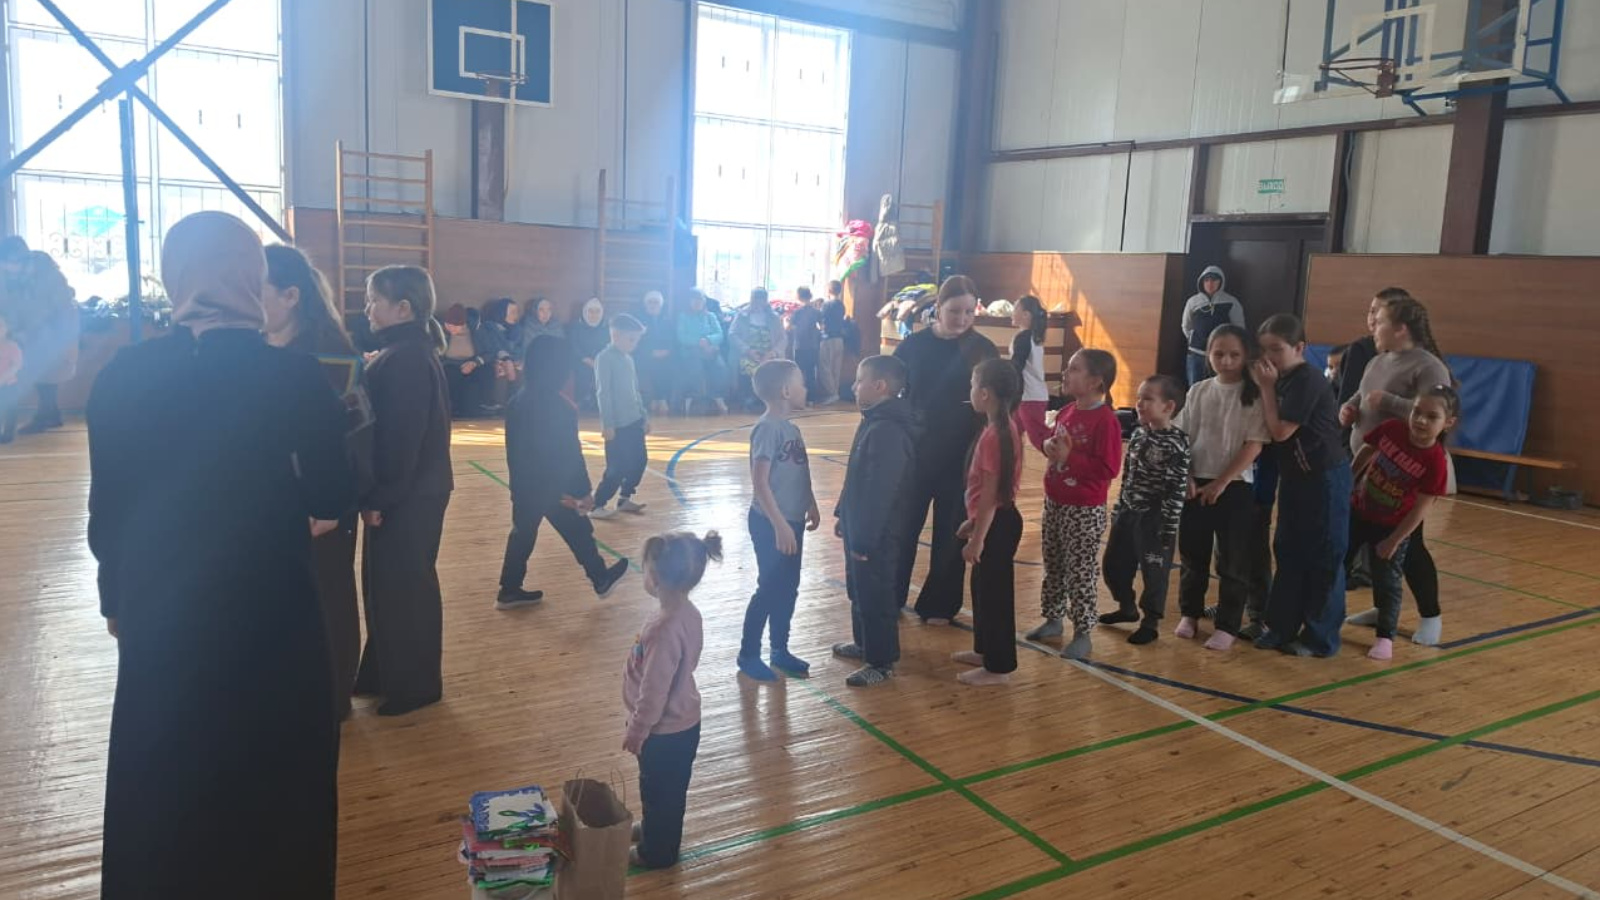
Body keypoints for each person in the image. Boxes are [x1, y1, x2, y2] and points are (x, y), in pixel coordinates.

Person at [87, 211, 353, 898]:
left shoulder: (123, 376)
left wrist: (117, 600)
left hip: (159, 614)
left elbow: (107, 512)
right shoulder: (294, 378)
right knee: (275, 783)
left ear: (174, 277)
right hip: (271, 614)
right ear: (251, 278)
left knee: (164, 778)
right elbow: (333, 495)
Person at [262, 243, 370, 719]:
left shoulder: (327, 355)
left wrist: (327, 506)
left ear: (291, 296)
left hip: (320, 507)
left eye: (257, 289)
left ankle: (333, 699)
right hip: (281, 503)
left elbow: (349, 439)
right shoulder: (268, 350)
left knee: (329, 599)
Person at [356, 266, 454, 715]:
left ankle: (416, 686)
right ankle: (383, 674)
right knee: (387, 587)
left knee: (405, 590)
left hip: (410, 494)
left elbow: (401, 439)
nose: (367, 308)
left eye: (374, 300)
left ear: (403, 309)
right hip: (412, 490)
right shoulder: (404, 352)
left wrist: (382, 497)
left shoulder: (407, 359)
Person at [1339, 290, 1452, 645]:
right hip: (1371, 473)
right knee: (1370, 542)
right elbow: (1362, 394)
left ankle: (1431, 616)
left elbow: (1434, 413)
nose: (1373, 324)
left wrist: (1389, 402)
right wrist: (1350, 408)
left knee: (1410, 546)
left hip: (1406, 478)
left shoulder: (1428, 367)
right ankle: (1381, 607)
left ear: (1401, 328)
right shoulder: (1378, 360)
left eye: (1381, 319)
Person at [891, 275, 999, 623]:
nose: (962, 319)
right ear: (937, 308)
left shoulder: (983, 349)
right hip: (915, 452)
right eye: (954, 311)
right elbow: (892, 393)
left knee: (951, 532)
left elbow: (996, 402)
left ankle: (939, 604)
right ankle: (890, 595)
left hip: (963, 456)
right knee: (902, 527)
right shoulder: (913, 346)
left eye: (969, 311)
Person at [498, 335, 632, 611]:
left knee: (522, 534)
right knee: (579, 531)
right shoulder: (559, 407)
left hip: (524, 486)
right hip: (555, 489)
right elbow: (570, 454)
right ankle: (600, 578)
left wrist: (517, 486)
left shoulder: (517, 401)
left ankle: (508, 590)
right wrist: (584, 492)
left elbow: (515, 451)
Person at [1251, 313, 1351, 658]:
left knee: (1324, 555)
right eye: (1264, 350)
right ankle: (1281, 626)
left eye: (1276, 349)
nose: (1269, 358)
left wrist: (1266, 388)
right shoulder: (1280, 378)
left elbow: (1280, 431)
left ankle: (1320, 638)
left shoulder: (1306, 379)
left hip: (1324, 477)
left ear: (1299, 348)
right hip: (1294, 477)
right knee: (1288, 549)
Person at [624, 529, 721, 871]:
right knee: (666, 791)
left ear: (653, 576)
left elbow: (654, 692)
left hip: (663, 731)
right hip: (681, 724)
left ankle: (657, 852)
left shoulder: (664, 628)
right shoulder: (686, 612)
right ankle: (656, 829)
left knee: (659, 791)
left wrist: (638, 730)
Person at [1173, 324, 1269, 651]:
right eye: (1219, 354)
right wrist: (1187, 476)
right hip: (1195, 484)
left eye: (1234, 355)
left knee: (1232, 560)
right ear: (1208, 355)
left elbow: (1253, 445)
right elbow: (1181, 437)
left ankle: (1228, 624)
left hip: (1235, 487)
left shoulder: (1253, 395)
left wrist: (1222, 481)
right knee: (1192, 554)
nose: (1226, 361)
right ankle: (1189, 613)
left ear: (1245, 356)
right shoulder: (1198, 391)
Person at [1346, 386, 1457, 660]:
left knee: (1388, 581)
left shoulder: (1435, 461)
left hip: (1390, 526)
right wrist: (1348, 482)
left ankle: (1385, 637)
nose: (1420, 420)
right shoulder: (1392, 429)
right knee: (1339, 564)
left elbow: (1421, 508)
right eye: (1417, 412)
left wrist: (1394, 540)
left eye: (1431, 417)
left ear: (1448, 422)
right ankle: (1333, 617)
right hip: (1360, 512)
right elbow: (1366, 451)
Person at [831, 355, 918, 688]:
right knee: (859, 589)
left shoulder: (888, 431)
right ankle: (864, 643)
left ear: (879, 386)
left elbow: (881, 490)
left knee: (876, 594)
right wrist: (843, 512)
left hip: (877, 532)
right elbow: (857, 474)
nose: (854, 386)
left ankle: (881, 662)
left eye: (859, 380)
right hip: (860, 524)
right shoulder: (872, 421)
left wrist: (865, 539)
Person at [1032, 349, 1122, 659]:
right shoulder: (1068, 410)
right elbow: (1053, 442)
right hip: (1055, 501)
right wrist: (1047, 444)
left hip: (1084, 509)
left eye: (1074, 369)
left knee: (1080, 570)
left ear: (1096, 381)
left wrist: (1071, 457)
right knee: (1053, 563)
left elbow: (1109, 468)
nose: (1066, 373)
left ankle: (1083, 632)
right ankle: (1053, 619)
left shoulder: (1105, 420)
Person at [739, 359, 820, 682]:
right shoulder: (768, 428)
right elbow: (760, 482)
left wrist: (810, 501)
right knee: (770, 588)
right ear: (786, 391)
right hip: (770, 523)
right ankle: (748, 653)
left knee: (788, 588)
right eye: (801, 383)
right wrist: (779, 524)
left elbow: (799, 469)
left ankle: (779, 649)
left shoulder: (792, 429)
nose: (806, 388)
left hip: (792, 521)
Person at [1099, 376, 1190, 646]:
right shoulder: (1138, 434)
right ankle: (1127, 607)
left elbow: (1176, 489)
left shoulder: (1177, 443)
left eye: (1148, 398)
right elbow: (1128, 476)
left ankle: (1150, 622)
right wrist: (1119, 508)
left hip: (1155, 518)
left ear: (1168, 406)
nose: (1140, 403)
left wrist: (1168, 528)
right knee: (1113, 565)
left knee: (1154, 572)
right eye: (1139, 397)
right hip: (1128, 511)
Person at [951, 358, 1025, 686]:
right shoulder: (998, 428)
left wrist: (978, 539)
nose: (970, 391)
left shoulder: (997, 434)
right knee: (981, 590)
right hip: (993, 521)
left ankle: (998, 667)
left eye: (972, 385)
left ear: (984, 393)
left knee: (995, 597)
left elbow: (991, 495)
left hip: (999, 524)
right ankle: (985, 651)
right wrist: (973, 523)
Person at [590, 314, 651, 521]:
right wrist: (607, 424)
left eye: (637, 340)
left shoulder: (628, 359)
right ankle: (597, 504)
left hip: (634, 421)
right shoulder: (604, 358)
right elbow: (603, 393)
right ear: (615, 336)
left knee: (640, 460)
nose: (635, 344)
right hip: (617, 425)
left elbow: (635, 390)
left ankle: (625, 498)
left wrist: (644, 416)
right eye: (631, 339)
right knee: (617, 468)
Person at [15, 251, 78, 434]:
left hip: (50, 340)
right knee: (48, 381)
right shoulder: (56, 282)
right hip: (56, 340)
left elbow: (41, 313)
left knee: (45, 379)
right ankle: (51, 414)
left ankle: (44, 417)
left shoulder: (43, 286)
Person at [1181, 265, 1244, 386]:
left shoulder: (1231, 301)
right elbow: (1186, 325)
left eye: (1214, 280)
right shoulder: (1193, 301)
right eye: (1207, 280)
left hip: (1221, 355)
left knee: (1219, 386)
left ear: (1220, 282)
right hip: (1196, 354)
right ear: (1202, 282)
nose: (1210, 283)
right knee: (1195, 388)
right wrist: (1194, 338)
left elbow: (1239, 328)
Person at [730, 289, 788, 411]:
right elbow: (732, 335)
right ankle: (750, 399)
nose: (758, 304)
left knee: (772, 369)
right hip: (748, 354)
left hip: (770, 354)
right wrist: (748, 351)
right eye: (756, 300)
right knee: (751, 368)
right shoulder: (742, 316)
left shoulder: (774, 317)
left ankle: (769, 401)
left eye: (761, 301)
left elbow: (783, 338)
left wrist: (773, 353)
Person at [675, 288, 728, 414]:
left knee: (720, 367)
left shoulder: (711, 316)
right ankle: (693, 399)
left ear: (704, 301)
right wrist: (699, 342)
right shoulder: (683, 317)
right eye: (694, 299)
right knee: (695, 368)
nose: (697, 302)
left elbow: (719, 334)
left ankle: (718, 397)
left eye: (700, 299)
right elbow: (681, 336)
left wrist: (708, 340)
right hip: (690, 350)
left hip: (709, 349)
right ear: (689, 301)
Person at [1009, 294, 1051, 451]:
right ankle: (1011, 464)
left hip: (1030, 397)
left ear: (1026, 315)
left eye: (1015, 309)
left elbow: (1016, 365)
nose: (1012, 313)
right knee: (1011, 435)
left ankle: (1065, 458)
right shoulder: (1032, 336)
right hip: (1026, 396)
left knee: (1039, 439)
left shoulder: (1024, 337)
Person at [440, 303, 491, 418]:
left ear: (463, 324)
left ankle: (477, 407)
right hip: (449, 365)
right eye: (448, 325)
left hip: (472, 365)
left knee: (473, 385)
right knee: (450, 376)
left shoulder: (476, 332)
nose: (451, 328)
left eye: (455, 326)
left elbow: (489, 353)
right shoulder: (442, 332)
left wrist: (475, 363)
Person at [637, 290, 677, 415]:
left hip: (665, 355)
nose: (653, 305)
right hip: (645, 355)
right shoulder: (639, 320)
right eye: (650, 302)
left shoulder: (667, 320)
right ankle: (657, 398)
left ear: (661, 304)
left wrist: (667, 351)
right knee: (652, 365)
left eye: (656, 302)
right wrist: (650, 352)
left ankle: (661, 398)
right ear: (645, 304)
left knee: (667, 365)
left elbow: (673, 339)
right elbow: (637, 341)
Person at [570, 297, 610, 411]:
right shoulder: (576, 327)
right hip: (581, 361)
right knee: (582, 372)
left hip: (602, 361)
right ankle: (582, 402)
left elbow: (610, 346)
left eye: (597, 311)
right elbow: (574, 346)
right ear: (585, 312)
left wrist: (599, 361)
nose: (594, 315)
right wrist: (586, 359)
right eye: (591, 311)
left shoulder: (606, 328)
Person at [787, 286, 823, 402]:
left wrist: (786, 322)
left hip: (800, 345)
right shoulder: (816, 312)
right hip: (813, 345)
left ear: (799, 296)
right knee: (811, 372)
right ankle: (811, 399)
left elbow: (788, 328)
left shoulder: (797, 312)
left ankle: (799, 397)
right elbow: (822, 327)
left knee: (799, 372)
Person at [817, 280, 847, 405]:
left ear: (829, 290)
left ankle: (832, 393)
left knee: (824, 367)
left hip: (828, 338)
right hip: (839, 339)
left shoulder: (826, 305)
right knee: (836, 368)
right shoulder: (841, 305)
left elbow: (821, 321)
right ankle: (835, 393)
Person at [0, 310, 21, 443]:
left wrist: (3, 379)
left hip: (9, 384)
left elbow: (16, 365)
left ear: (7, 328)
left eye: (1, 326)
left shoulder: (12, 346)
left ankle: (8, 434)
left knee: (10, 410)